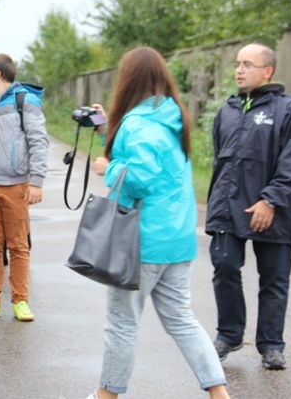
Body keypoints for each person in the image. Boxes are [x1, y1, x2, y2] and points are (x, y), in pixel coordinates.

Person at [86, 47, 229, 399]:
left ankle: (107, 397)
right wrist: (107, 132)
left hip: (142, 241)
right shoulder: (172, 115)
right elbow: (147, 157)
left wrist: (110, 169)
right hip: (176, 239)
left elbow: (140, 176)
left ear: (128, 79)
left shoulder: (138, 122)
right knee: (182, 320)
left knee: (121, 324)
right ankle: (220, 395)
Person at [206, 42, 291, 371]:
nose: (239, 70)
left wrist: (271, 200)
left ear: (268, 71)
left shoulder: (288, 110)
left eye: (248, 64)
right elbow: (221, 162)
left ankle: (271, 344)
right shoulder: (227, 110)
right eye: (237, 64)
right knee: (223, 266)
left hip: (274, 210)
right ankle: (230, 334)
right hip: (229, 208)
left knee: (274, 279)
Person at [0, 53, 48, 322]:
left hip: (17, 186)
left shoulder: (25, 101)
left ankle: (21, 301)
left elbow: (39, 142)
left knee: (18, 246)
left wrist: (37, 181)